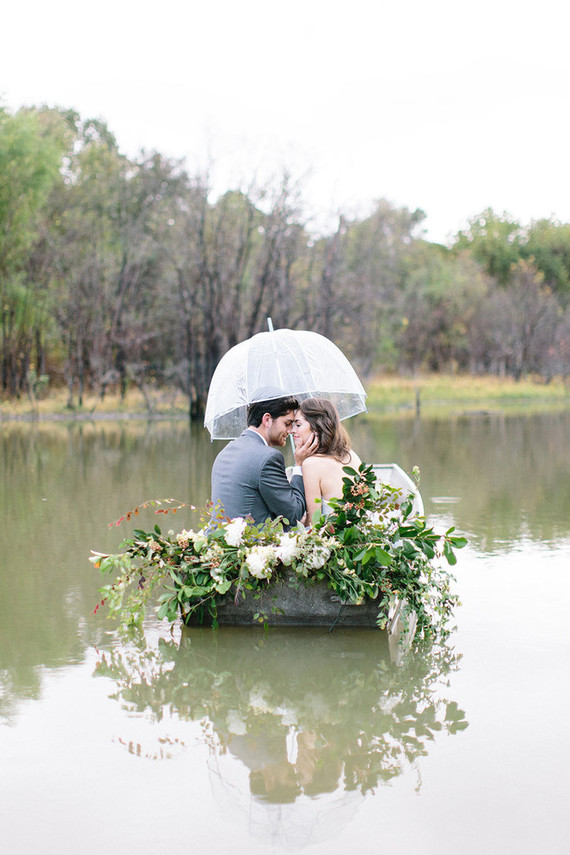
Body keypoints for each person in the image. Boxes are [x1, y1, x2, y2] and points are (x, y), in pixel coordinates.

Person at [211, 394, 319, 526]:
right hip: (253, 543)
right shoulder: (268, 458)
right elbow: (294, 514)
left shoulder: (225, 452)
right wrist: (299, 465)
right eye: (287, 423)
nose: (291, 430)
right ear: (267, 419)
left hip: (220, 541)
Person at [292, 397, 362, 522]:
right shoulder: (351, 455)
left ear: (316, 427)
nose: (293, 430)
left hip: (331, 538)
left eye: (298, 425)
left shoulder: (310, 464)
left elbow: (314, 523)